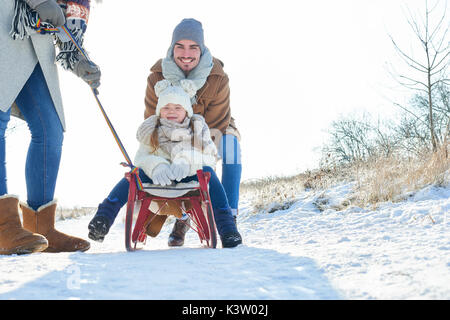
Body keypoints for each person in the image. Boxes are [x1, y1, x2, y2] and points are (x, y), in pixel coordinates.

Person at [88, 82, 242, 248]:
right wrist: (156, 166)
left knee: (209, 172)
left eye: (177, 107)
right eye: (166, 107)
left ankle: (228, 229)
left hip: (188, 177)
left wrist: (186, 161)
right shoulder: (151, 128)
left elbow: (209, 155)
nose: (171, 112)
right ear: (159, 110)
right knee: (133, 176)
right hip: (157, 178)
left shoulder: (197, 127)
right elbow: (142, 157)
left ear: (187, 111)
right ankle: (103, 219)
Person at [0, 0, 100, 255]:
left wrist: (80, 62)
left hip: (35, 47)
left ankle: (41, 226)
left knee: (50, 129)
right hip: (6, 26)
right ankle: (3, 226)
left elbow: (68, 30)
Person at [144, 18, 242, 246]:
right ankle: (183, 216)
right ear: (172, 48)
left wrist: (194, 152)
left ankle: (229, 219)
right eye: (180, 46)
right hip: (172, 133)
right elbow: (152, 118)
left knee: (230, 149)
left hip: (217, 127)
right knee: (173, 161)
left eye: (193, 47)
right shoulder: (157, 77)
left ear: (202, 49)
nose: (186, 54)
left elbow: (217, 122)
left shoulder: (217, 76)